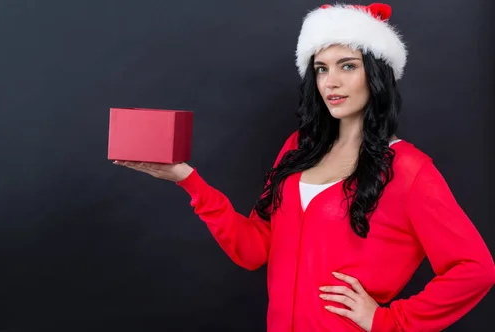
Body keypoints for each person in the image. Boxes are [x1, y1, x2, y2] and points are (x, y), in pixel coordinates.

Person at [113, 3, 495, 331]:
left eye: (348, 66)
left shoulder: (409, 170)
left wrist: (387, 321)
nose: (332, 82)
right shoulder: (298, 149)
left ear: (376, 75)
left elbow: (476, 269)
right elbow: (253, 249)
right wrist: (188, 179)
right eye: (322, 68)